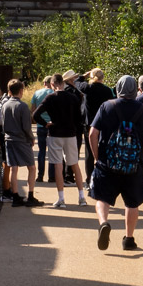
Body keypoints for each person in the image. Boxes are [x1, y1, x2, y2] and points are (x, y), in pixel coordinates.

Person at [87, 74, 143, 250]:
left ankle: (104, 223)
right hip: (134, 165)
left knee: (102, 198)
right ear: (136, 90)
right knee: (132, 203)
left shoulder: (106, 106)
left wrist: (96, 157)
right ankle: (129, 239)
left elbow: (92, 134)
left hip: (107, 163)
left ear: (117, 88)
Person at [36, 72, 86, 207]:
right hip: (70, 134)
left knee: (58, 165)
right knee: (74, 164)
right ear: (63, 83)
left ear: (52, 84)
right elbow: (79, 118)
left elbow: (36, 114)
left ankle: (61, 198)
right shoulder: (73, 98)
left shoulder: (50, 98)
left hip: (55, 134)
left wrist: (46, 123)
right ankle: (81, 197)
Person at [0, 79, 39, 207]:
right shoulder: (22, 106)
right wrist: (31, 138)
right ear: (21, 91)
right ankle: (30, 196)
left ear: (9, 91)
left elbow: (1, 122)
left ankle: (15, 196)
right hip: (21, 140)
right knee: (32, 168)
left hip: (8, 139)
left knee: (13, 168)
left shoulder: (5, 105)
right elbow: (26, 127)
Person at [31, 73, 55, 186]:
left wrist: (39, 121)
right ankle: (51, 177)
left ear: (44, 83)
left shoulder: (37, 93)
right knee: (51, 152)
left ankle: (40, 176)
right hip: (52, 126)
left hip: (41, 126)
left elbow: (33, 111)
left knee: (41, 151)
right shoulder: (54, 94)